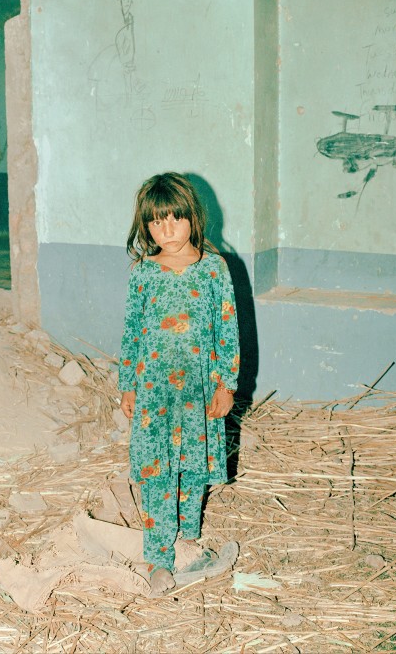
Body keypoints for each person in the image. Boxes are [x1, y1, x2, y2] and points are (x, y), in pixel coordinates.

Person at [119, 172, 240, 597]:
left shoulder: (213, 269)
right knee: (156, 472)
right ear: (145, 227)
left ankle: (186, 541)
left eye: (174, 219)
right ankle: (157, 558)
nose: (165, 230)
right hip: (153, 391)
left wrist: (227, 384)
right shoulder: (143, 273)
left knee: (192, 465)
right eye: (155, 222)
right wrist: (127, 383)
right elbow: (132, 330)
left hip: (198, 389)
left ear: (193, 217)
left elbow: (228, 326)